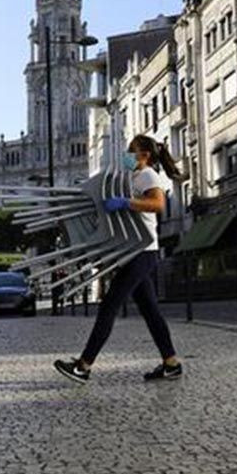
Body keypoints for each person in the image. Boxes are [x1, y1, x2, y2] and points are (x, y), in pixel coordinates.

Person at [54, 135, 186, 384]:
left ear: (144, 155)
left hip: (142, 251)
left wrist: (126, 202)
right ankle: (171, 363)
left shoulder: (147, 174)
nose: (126, 155)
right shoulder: (131, 177)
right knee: (150, 310)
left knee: (109, 306)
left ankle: (83, 366)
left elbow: (158, 204)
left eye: (131, 151)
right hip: (135, 251)